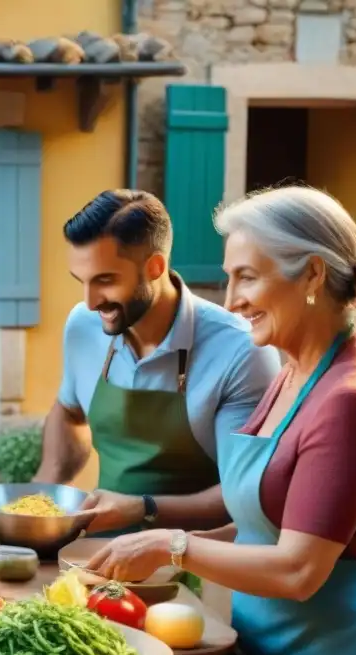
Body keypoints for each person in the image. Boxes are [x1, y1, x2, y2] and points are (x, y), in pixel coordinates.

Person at [86, 186, 356, 655]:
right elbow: (259, 527)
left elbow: (296, 568)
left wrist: (173, 543)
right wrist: (148, 551)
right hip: (267, 650)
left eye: (248, 277)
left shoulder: (348, 398)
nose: (233, 299)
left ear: (313, 274)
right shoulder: (292, 370)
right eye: (229, 277)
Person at [33, 190, 281, 535]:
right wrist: (42, 495)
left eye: (105, 280)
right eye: (82, 282)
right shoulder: (83, 325)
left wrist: (142, 509)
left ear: (155, 267)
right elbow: (69, 411)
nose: (89, 302)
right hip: (95, 552)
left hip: (192, 562)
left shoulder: (240, 350)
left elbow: (244, 492)